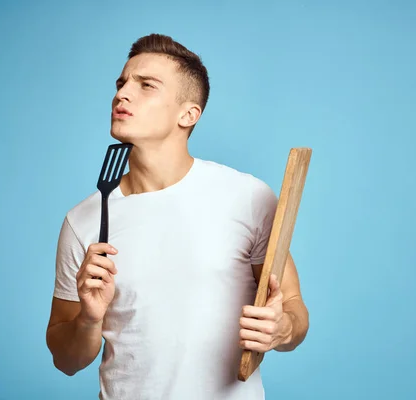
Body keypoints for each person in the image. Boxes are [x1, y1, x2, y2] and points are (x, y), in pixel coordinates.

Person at [46, 33, 309, 400]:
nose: (122, 94)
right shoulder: (84, 219)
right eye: (122, 83)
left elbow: (294, 308)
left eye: (146, 86)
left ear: (188, 114)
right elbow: (66, 360)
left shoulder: (248, 197)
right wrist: (89, 320)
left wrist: (282, 327)